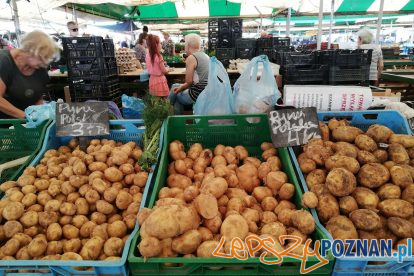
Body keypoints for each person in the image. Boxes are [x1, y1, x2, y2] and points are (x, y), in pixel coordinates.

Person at [0, 31, 58, 119]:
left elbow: (38, 98)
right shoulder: (4, 61)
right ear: (29, 51)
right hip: (6, 125)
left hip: (25, 125)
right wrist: (26, 117)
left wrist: (40, 115)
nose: (45, 63)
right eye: (42, 57)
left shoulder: (40, 68)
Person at [169, 34, 209, 114]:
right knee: (175, 87)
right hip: (206, 91)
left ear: (188, 45)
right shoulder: (206, 56)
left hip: (197, 94)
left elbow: (189, 82)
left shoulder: (191, 58)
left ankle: (168, 112)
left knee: (175, 92)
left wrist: (180, 89)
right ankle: (171, 113)